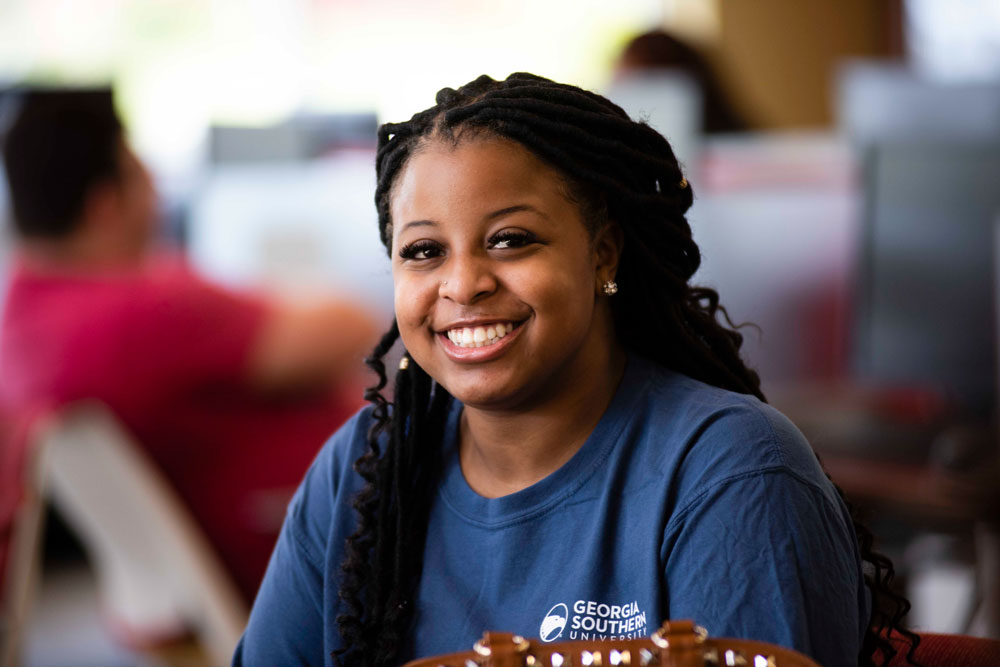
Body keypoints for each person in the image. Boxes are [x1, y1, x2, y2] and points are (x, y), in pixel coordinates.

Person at [234, 73, 915, 666]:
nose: (463, 283)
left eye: (511, 239)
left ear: (603, 254)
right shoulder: (363, 469)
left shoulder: (733, 473)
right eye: (424, 251)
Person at [0, 89, 379, 603]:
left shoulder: (23, 315)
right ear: (106, 204)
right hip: (312, 548)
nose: (156, 192)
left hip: (200, 574)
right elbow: (352, 324)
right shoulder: (146, 314)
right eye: (142, 172)